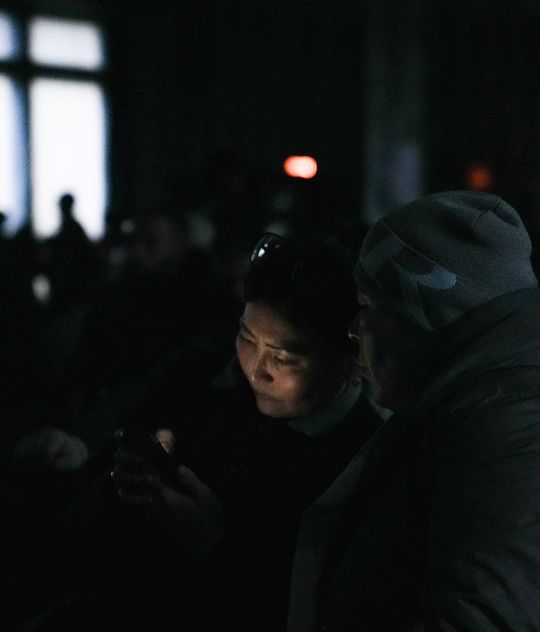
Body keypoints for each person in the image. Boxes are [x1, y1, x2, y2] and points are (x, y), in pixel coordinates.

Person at [288, 191, 540, 631]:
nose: (354, 329)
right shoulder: (501, 403)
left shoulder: (533, 418)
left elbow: (483, 622)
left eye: (368, 308)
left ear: (425, 316)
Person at [34, 233, 382, 631]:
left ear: (351, 358)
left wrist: (214, 543)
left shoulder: (365, 459)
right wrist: (118, 482)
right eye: (246, 338)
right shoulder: (210, 380)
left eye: (285, 357)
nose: (256, 368)